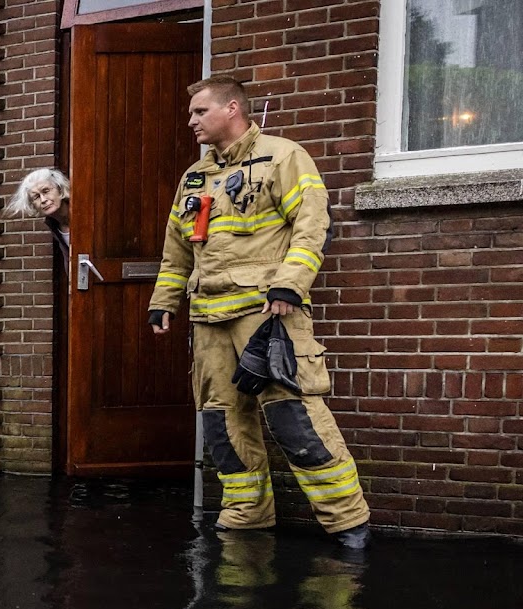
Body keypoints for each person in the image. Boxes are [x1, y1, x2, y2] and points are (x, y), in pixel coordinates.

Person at [148, 76, 370, 550]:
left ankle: (347, 521)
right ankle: (247, 512)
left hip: (268, 314)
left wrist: (291, 284)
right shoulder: (195, 176)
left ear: (232, 109)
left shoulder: (284, 156)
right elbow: (176, 251)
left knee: (295, 416)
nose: (191, 121)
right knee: (221, 421)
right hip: (209, 318)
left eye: (199, 112)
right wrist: (163, 302)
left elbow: (312, 225)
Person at [6, 168, 71, 275]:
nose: (43, 200)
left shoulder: (82, 212)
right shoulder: (54, 224)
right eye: (36, 197)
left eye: (46, 191)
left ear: (60, 189)